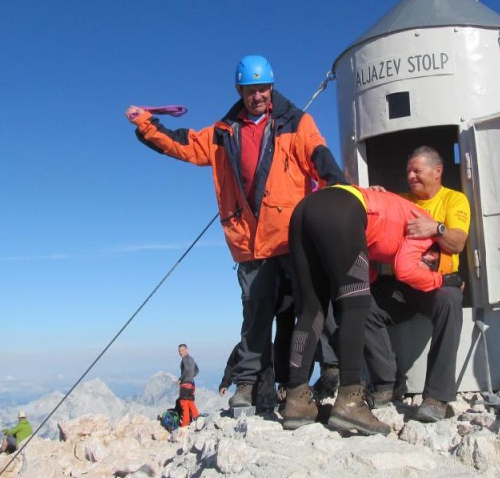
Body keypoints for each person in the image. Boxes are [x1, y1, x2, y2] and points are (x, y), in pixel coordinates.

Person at [127, 55, 346, 411]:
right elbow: (184, 144)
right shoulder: (223, 131)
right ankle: (247, 385)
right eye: (249, 89)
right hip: (249, 241)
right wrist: (147, 124)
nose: (256, 95)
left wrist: (341, 193)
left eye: (262, 88)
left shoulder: (297, 122)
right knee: (255, 315)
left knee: (312, 305)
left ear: (271, 88)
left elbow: (320, 157)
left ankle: (331, 371)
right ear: (240, 90)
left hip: (290, 234)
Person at [281, 184, 459, 435]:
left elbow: (364, 265)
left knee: (311, 309)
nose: (427, 265)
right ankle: (351, 402)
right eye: (432, 264)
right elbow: (406, 269)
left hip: (307, 209)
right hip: (343, 210)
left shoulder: (396, 209)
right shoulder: (428, 234)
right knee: (356, 303)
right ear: (435, 256)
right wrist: (442, 281)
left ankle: (296, 401)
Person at [364, 146, 471, 422]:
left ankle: (437, 397)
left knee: (450, 302)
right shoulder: (400, 200)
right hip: (402, 285)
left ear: (437, 172)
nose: (411, 176)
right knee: (359, 304)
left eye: (417, 171)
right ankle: (387, 383)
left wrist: (436, 228)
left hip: (438, 285)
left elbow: (458, 243)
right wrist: (377, 197)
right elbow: (380, 216)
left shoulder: (454, 200)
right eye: (408, 171)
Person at [177, 343, 200, 426]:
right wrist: (191, 377)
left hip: (185, 385)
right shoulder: (191, 359)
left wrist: (181, 379)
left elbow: (186, 369)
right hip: (192, 384)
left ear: (187, 350)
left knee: (184, 404)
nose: (180, 352)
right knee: (190, 402)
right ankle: (197, 418)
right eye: (179, 351)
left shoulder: (184, 359)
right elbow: (197, 370)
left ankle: (185, 423)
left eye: (182, 350)